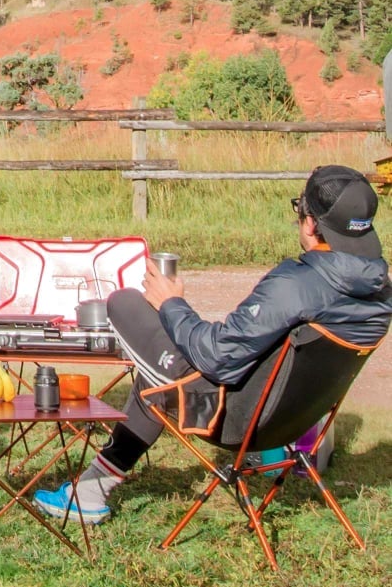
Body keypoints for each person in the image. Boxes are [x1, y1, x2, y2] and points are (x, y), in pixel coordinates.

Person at [35, 165, 392, 524]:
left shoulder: (297, 284)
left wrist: (171, 303)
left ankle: (91, 491)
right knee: (153, 380)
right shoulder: (381, 295)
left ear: (311, 224)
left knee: (124, 302)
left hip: (232, 419)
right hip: (294, 425)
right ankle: (89, 492)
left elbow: (216, 358)